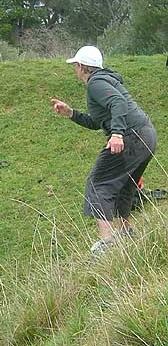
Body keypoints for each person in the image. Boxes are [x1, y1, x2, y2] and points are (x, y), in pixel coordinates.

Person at [51, 45, 157, 254]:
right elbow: (97, 121)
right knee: (125, 185)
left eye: (75, 66)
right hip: (146, 134)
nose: (75, 70)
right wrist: (70, 113)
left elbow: (118, 103)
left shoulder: (96, 83)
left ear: (81, 66)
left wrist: (117, 134)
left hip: (130, 137)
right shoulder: (106, 80)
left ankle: (107, 244)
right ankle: (126, 232)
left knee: (97, 183)